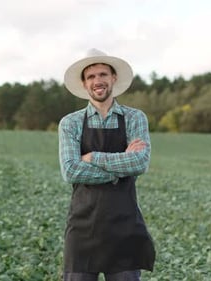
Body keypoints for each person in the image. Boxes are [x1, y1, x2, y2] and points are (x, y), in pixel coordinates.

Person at [58, 48, 156, 281]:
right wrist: (119, 169)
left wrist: (93, 157)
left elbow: (140, 163)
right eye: (91, 77)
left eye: (103, 74)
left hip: (124, 226)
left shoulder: (135, 118)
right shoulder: (70, 123)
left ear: (113, 78)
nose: (97, 81)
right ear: (84, 84)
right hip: (83, 228)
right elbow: (71, 170)